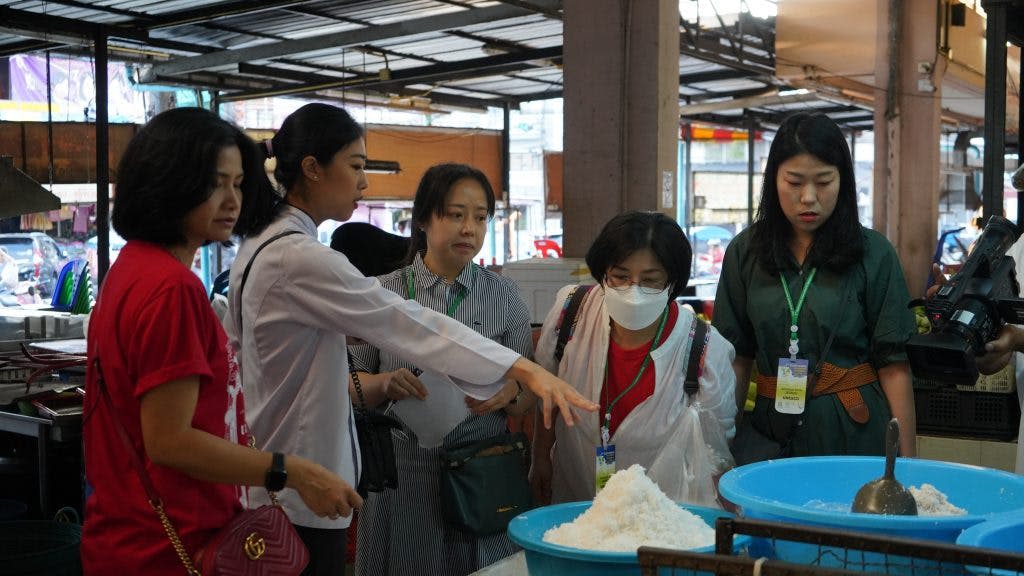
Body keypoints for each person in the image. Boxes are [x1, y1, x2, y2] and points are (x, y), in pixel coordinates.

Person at [227, 103, 596, 575]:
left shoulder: (267, 245)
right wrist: (522, 368)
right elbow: (408, 324)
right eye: (356, 166)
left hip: (337, 476)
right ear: (313, 169)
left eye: (480, 217)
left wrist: (515, 384)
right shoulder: (300, 257)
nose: (364, 183)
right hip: (330, 482)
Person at [81, 108, 360, 575]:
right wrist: (291, 470)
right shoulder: (172, 288)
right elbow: (170, 441)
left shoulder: (129, 269)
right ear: (168, 182)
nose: (232, 200)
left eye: (237, 182)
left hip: (126, 535)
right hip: (168, 548)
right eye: (215, 183)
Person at [351, 163, 533, 575]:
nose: (469, 228)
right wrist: (383, 383)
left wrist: (511, 394)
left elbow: (528, 396)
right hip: (403, 478)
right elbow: (348, 383)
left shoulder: (504, 296)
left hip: (480, 474)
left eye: (481, 217)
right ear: (422, 218)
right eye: (455, 214)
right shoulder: (381, 294)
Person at [713, 111, 917, 462]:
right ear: (773, 179)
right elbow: (734, 359)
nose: (808, 197)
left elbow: (894, 366)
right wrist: (719, 449)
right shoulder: (744, 253)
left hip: (854, 435)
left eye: (823, 182)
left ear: (844, 182)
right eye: (794, 182)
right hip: (768, 435)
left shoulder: (874, 253)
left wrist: (909, 465)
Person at [530, 210, 737, 507]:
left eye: (651, 281)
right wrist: (540, 460)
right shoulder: (570, 314)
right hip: (573, 504)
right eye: (620, 277)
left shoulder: (705, 350)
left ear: (673, 282)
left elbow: (715, 456)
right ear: (603, 273)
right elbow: (545, 396)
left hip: (661, 517)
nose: (633, 291)